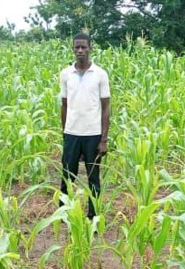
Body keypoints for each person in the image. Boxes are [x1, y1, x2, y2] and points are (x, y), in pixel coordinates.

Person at [58, 32, 111, 220]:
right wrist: (65, 133)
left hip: (93, 134)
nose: (80, 50)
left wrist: (103, 139)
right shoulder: (66, 74)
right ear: (73, 49)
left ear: (90, 48)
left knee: (93, 178)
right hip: (72, 133)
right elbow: (64, 105)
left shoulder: (100, 74)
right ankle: (64, 215)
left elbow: (106, 108)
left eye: (84, 47)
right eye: (77, 47)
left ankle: (93, 216)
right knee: (67, 176)